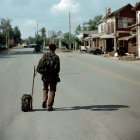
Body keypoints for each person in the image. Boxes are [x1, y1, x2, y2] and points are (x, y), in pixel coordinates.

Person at [41, 44, 60, 111]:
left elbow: (40, 65)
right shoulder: (56, 57)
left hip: (45, 76)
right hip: (53, 77)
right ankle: (49, 106)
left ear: (49, 48)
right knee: (52, 90)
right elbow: (58, 69)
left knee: (45, 88)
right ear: (55, 49)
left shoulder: (45, 55)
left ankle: (44, 100)